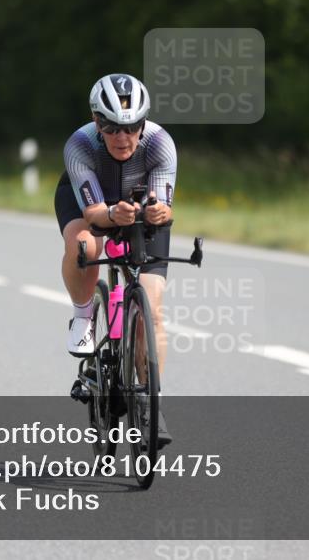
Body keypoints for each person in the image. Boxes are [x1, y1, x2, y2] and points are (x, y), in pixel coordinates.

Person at [55, 73, 177, 445]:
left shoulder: (160, 144)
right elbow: (93, 213)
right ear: (97, 122)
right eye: (111, 128)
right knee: (86, 247)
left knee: (152, 311)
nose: (123, 138)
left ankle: (149, 402)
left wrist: (157, 214)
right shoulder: (80, 144)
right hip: (89, 205)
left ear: (143, 124)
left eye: (132, 127)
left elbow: (165, 207)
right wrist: (112, 216)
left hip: (137, 209)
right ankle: (82, 314)